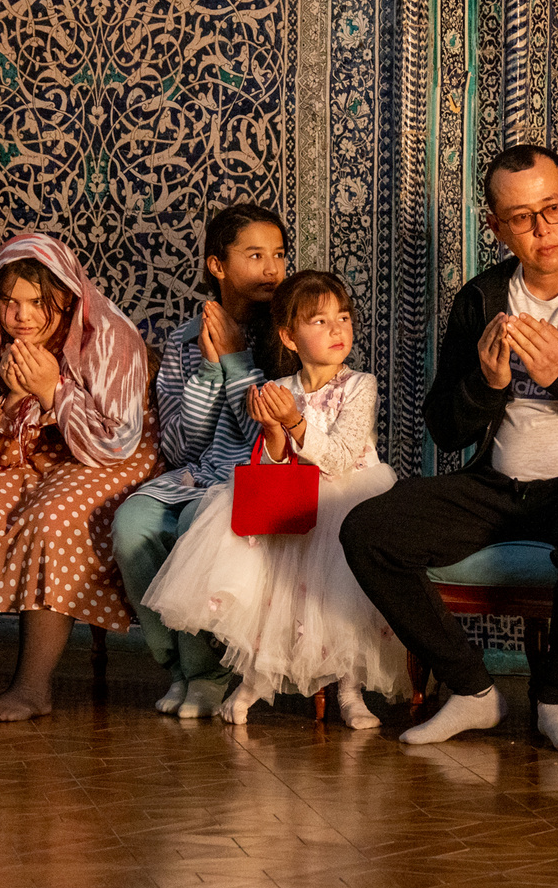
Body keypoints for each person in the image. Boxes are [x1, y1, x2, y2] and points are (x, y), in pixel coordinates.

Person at [341, 144, 558, 755]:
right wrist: (485, 386)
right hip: (499, 485)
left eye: (552, 209)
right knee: (367, 529)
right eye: (521, 217)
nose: (542, 230)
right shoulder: (483, 299)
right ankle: (471, 690)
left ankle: (557, 700)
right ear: (495, 226)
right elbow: (445, 428)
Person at [142, 271, 408, 727]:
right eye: (320, 321)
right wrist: (271, 428)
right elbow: (275, 463)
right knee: (276, 595)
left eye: (343, 318)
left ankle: (349, 690)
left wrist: (297, 423)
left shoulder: (360, 385)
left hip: (349, 501)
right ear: (289, 336)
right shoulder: (281, 388)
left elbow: (342, 458)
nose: (337, 329)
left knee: (341, 599)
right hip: (294, 502)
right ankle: (255, 680)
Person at [0, 233, 159, 722]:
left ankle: (32, 688)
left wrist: (52, 391)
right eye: (10, 302)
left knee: (51, 519)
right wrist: (8, 402)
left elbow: (115, 441)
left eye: (36, 303)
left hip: (109, 455)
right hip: (32, 454)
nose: (21, 315)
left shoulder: (110, 335)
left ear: (66, 295)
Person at [111, 203, 296, 720]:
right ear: (218, 266)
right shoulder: (183, 340)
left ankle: (210, 673)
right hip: (199, 474)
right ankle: (180, 668)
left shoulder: (289, 334)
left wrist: (236, 360)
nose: (271, 269)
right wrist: (209, 370)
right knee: (133, 524)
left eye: (278, 255)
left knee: (198, 526)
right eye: (255, 255)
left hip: (258, 476)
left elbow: (262, 431)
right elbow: (181, 446)